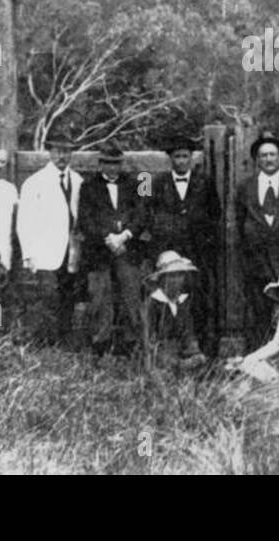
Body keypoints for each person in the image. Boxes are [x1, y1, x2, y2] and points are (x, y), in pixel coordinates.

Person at [235, 132, 279, 350]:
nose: (268, 159)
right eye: (263, 155)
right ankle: (258, 353)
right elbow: (241, 221)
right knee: (258, 306)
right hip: (256, 257)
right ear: (257, 159)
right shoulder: (246, 186)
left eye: (273, 155)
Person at [148, 135, 220, 352]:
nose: (181, 161)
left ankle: (203, 349)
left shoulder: (205, 181)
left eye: (185, 156)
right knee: (167, 298)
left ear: (192, 158)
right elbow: (144, 210)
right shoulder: (152, 180)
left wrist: (204, 240)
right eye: (177, 157)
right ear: (170, 159)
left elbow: (215, 213)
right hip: (168, 252)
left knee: (199, 298)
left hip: (197, 251)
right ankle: (165, 347)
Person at [77, 144, 148, 356]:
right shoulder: (88, 187)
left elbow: (142, 215)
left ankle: (130, 343)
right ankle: (101, 342)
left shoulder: (136, 184)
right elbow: (86, 220)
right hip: (99, 250)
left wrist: (125, 236)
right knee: (100, 295)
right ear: (100, 164)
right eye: (108, 163)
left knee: (131, 292)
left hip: (127, 248)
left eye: (116, 163)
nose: (112, 168)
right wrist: (107, 238)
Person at [16, 129, 84, 344]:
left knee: (67, 296)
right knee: (48, 296)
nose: (62, 156)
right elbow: (24, 222)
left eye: (66, 152)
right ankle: (42, 339)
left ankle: (62, 340)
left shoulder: (78, 180)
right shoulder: (35, 182)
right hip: (45, 251)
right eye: (57, 151)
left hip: (70, 250)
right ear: (50, 153)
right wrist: (29, 254)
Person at [141, 250, 206, 372]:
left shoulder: (182, 302)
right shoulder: (153, 304)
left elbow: (188, 332)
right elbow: (147, 342)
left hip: (180, 353)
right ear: (162, 279)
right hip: (160, 357)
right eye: (171, 276)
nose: (176, 280)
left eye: (179, 275)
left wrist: (194, 353)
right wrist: (174, 362)